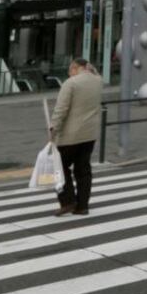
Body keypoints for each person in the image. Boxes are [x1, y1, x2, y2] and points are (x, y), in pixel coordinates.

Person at [48, 58, 103, 216]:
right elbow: (97, 74)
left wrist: (53, 128)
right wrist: (90, 68)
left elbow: (61, 109)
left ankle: (68, 200)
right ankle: (82, 206)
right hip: (89, 134)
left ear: (75, 68)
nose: (69, 73)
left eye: (70, 70)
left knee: (59, 166)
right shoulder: (97, 81)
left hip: (70, 135)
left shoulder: (70, 83)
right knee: (83, 169)